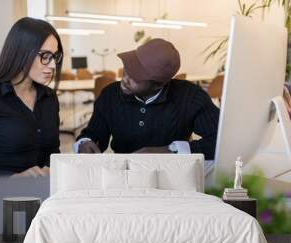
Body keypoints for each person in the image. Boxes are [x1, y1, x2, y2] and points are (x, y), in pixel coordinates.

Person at [75, 38, 219, 160]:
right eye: (127, 68)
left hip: (172, 176)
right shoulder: (110, 94)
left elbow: (221, 141)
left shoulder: (191, 97)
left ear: (158, 85)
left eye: (135, 76)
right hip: (123, 177)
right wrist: (84, 142)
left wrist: (170, 150)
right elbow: (93, 134)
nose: (124, 79)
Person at [0, 17, 63, 177]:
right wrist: (14, 178)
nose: (52, 65)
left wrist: (51, 169)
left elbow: (52, 152)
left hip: (43, 193)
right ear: (21, 52)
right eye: (45, 56)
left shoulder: (49, 98)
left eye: (54, 56)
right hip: (2, 195)